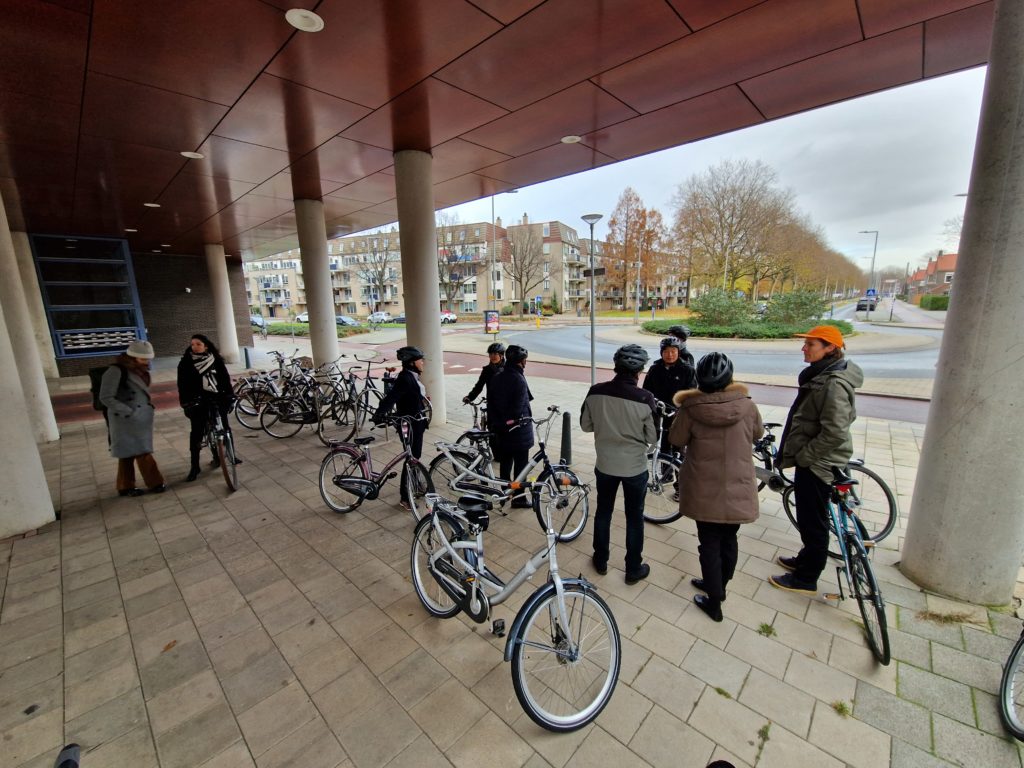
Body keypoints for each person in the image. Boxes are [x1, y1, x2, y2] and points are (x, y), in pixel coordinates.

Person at [768, 325, 863, 595]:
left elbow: (835, 431)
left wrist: (805, 456)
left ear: (830, 348)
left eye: (811, 344)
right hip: (816, 459)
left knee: (813, 521)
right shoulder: (823, 374)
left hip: (818, 464)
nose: (804, 348)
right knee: (810, 517)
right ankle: (805, 559)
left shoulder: (833, 383)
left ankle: (806, 578)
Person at [669, 352, 763, 622]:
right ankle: (719, 584)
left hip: (704, 488)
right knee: (729, 539)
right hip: (738, 486)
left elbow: (676, 439)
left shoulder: (690, 408)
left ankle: (714, 600)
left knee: (708, 543)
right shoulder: (747, 406)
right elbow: (758, 434)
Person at [581, 344, 657, 584]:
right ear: (640, 371)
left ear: (616, 366)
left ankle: (600, 560)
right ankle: (633, 569)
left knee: (603, 512)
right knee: (634, 517)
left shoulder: (595, 392)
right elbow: (653, 437)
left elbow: (585, 425)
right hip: (635, 468)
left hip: (605, 465)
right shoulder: (646, 398)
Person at [99, 340, 165, 496]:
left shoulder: (140, 370)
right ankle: (155, 483)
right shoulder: (115, 371)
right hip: (124, 419)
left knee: (129, 453)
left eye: (148, 359)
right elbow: (105, 397)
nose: (146, 362)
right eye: (143, 359)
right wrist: (129, 411)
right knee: (140, 451)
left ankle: (125, 486)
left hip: (138, 417)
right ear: (132, 357)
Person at [177, 334, 240, 482]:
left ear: (206, 346)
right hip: (198, 401)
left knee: (225, 427)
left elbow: (224, 379)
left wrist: (230, 396)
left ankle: (231, 454)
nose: (194, 347)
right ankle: (194, 466)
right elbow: (182, 384)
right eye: (192, 344)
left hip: (217, 398)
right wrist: (186, 403)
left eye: (198, 344)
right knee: (196, 434)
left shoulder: (216, 360)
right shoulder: (186, 363)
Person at [372, 345, 428, 509]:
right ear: (411, 362)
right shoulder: (405, 378)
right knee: (411, 459)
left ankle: (415, 484)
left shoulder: (411, 376)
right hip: (408, 425)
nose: (422, 362)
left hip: (416, 423)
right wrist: (379, 414)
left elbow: (410, 396)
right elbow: (391, 398)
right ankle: (405, 497)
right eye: (420, 360)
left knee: (415, 457)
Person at [486, 344, 533, 508]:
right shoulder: (518, 379)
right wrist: (512, 422)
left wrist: (498, 423)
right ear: (522, 361)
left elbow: (491, 403)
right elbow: (517, 410)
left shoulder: (497, 376)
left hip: (501, 429)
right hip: (518, 431)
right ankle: (519, 498)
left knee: (505, 464)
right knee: (521, 467)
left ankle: (504, 494)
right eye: (525, 359)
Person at [642, 336, 697, 455]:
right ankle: (664, 466)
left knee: (679, 447)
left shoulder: (688, 370)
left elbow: (692, 394)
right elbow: (646, 391)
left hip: (678, 415)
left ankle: (679, 465)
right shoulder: (655, 369)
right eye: (666, 351)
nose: (670, 355)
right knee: (663, 446)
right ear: (661, 353)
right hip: (659, 413)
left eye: (673, 351)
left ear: (678, 352)